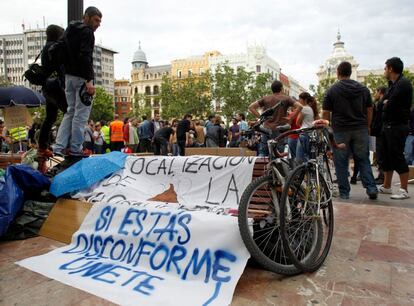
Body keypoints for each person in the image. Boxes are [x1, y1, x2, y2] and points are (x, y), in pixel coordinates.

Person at [322, 61, 378, 200]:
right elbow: (369, 109)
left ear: (338, 73)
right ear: (350, 72)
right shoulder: (363, 89)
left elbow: (325, 113)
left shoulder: (332, 90)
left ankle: (344, 192)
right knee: (363, 159)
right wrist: (368, 125)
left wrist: (327, 129)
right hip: (360, 128)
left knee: (341, 162)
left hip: (340, 130)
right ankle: (371, 188)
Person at [52, 6, 102, 158]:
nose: (98, 24)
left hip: (69, 76)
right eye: (96, 20)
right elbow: (85, 57)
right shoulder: (87, 33)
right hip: (82, 78)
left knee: (70, 112)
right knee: (81, 115)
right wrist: (89, 80)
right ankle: (75, 148)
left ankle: (59, 147)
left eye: (100, 21)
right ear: (86, 17)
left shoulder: (70, 29)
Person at [378, 57, 413, 199]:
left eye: (385, 68)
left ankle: (404, 189)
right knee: (386, 157)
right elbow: (381, 104)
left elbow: (389, 105)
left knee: (397, 156)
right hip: (388, 126)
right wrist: (384, 103)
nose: (384, 71)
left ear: (391, 68)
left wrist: (385, 103)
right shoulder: (392, 85)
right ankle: (387, 186)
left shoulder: (403, 84)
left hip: (397, 126)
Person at [37, 25, 67, 165]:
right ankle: (66, 145)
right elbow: (62, 67)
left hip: (47, 87)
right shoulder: (54, 47)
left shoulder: (45, 48)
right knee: (70, 112)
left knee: (50, 117)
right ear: (57, 35)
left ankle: (43, 145)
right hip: (55, 86)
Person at [248, 80, 303, 157]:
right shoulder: (286, 98)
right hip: (280, 130)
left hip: (266, 129)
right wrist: (291, 118)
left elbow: (251, 107)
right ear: (281, 88)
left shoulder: (266, 98)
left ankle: (263, 168)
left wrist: (261, 117)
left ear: (272, 89)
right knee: (279, 154)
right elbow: (300, 106)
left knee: (263, 152)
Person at [296, 92, 319, 163]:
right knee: (308, 157)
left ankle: (302, 173)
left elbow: (297, 122)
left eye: (300, 99)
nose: (299, 101)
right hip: (310, 134)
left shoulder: (304, 108)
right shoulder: (311, 109)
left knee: (299, 158)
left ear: (305, 100)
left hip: (304, 134)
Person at [370, 86, 387, 184]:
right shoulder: (379, 104)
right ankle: (381, 175)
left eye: (375, 92)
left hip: (379, 132)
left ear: (380, 92)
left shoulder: (381, 104)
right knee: (379, 154)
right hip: (379, 131)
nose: (374, 95)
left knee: (380, 155)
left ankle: (382, 176)